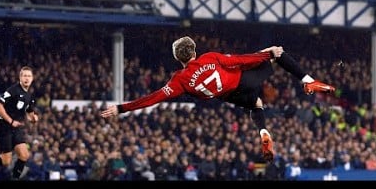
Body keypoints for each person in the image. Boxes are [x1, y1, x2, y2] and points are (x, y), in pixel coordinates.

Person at [100, 36, 335, 162]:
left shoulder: (179, 80)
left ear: (178, 58)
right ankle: (308, 80)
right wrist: (266, 54)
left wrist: (121, 109)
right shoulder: (210, 58)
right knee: (276, 51)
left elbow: (153, 98)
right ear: (194, 51)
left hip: (228, 96)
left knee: (256, 105)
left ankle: (263, 133)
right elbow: (243, 61)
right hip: (243, 82)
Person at [0, 66, 39, 180]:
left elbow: (30, 113)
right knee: (6, 160)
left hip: (16, 128)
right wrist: (11, 121)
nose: (26, 78)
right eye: (24, 75)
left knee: (24, 155)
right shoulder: (12, 90)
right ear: (20, 77)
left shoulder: (29, 96)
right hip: (4, 126)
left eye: (29, 76)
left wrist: (34, 118)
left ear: (32, 78)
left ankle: (14, 178)